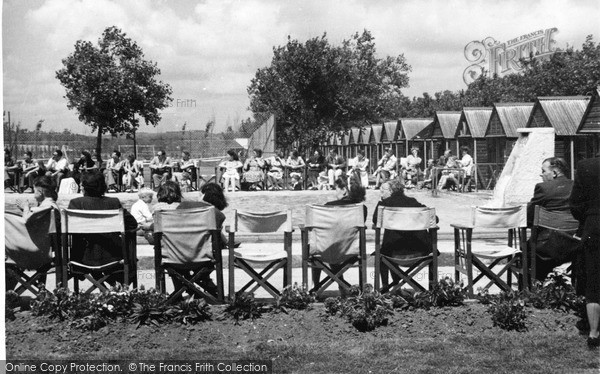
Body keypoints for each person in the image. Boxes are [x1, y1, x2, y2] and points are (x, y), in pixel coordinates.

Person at [153, 181, 222, 297]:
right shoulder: (210, 211)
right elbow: (220, 219)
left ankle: (179, 292)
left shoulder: (163, 212)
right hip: (203, 258)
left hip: (172, 260)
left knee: (175, 251)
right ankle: (201, 288)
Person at [67, 171, 137, 282]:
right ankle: (114, 284)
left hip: (82, 258)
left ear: (84, 187)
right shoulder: (113, 203)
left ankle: (100, 282)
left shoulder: (76, 203)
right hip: (112, 256)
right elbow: (132, 224)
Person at [373, 178, 438, 288]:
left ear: (392, 191)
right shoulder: (413, 202)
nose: (381, 193)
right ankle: (432, 289)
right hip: (421, 252)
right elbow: (434, 219)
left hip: (392, 254)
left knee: (385, 249)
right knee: (393, 242)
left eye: (383, 190)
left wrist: (381, 201)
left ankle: (386, 287)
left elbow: (376, 220)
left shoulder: (385, 205)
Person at [312, 177, 367, 294]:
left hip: (325, 249)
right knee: (337, 244)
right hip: (350, 250)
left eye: (336, 189)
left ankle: (316, 288)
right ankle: (342, 285)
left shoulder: (327, 207)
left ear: (344, 190)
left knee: (324, 246)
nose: (334, 192)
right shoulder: (362, 209)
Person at [526, 157, 576, 281]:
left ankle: (530, 290)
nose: (541, 174)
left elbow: (529, 218)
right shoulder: (577, 186)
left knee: (523, 252)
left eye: (543, 171)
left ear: (554, 173)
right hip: (575, 244)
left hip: (546, 247)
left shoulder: (543, 188)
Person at [570, 155, 600, 348]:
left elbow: (575, 204)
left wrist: (587, 218)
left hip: (594, 226)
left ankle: (594, 333)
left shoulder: (586, 166)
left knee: (594, 279)